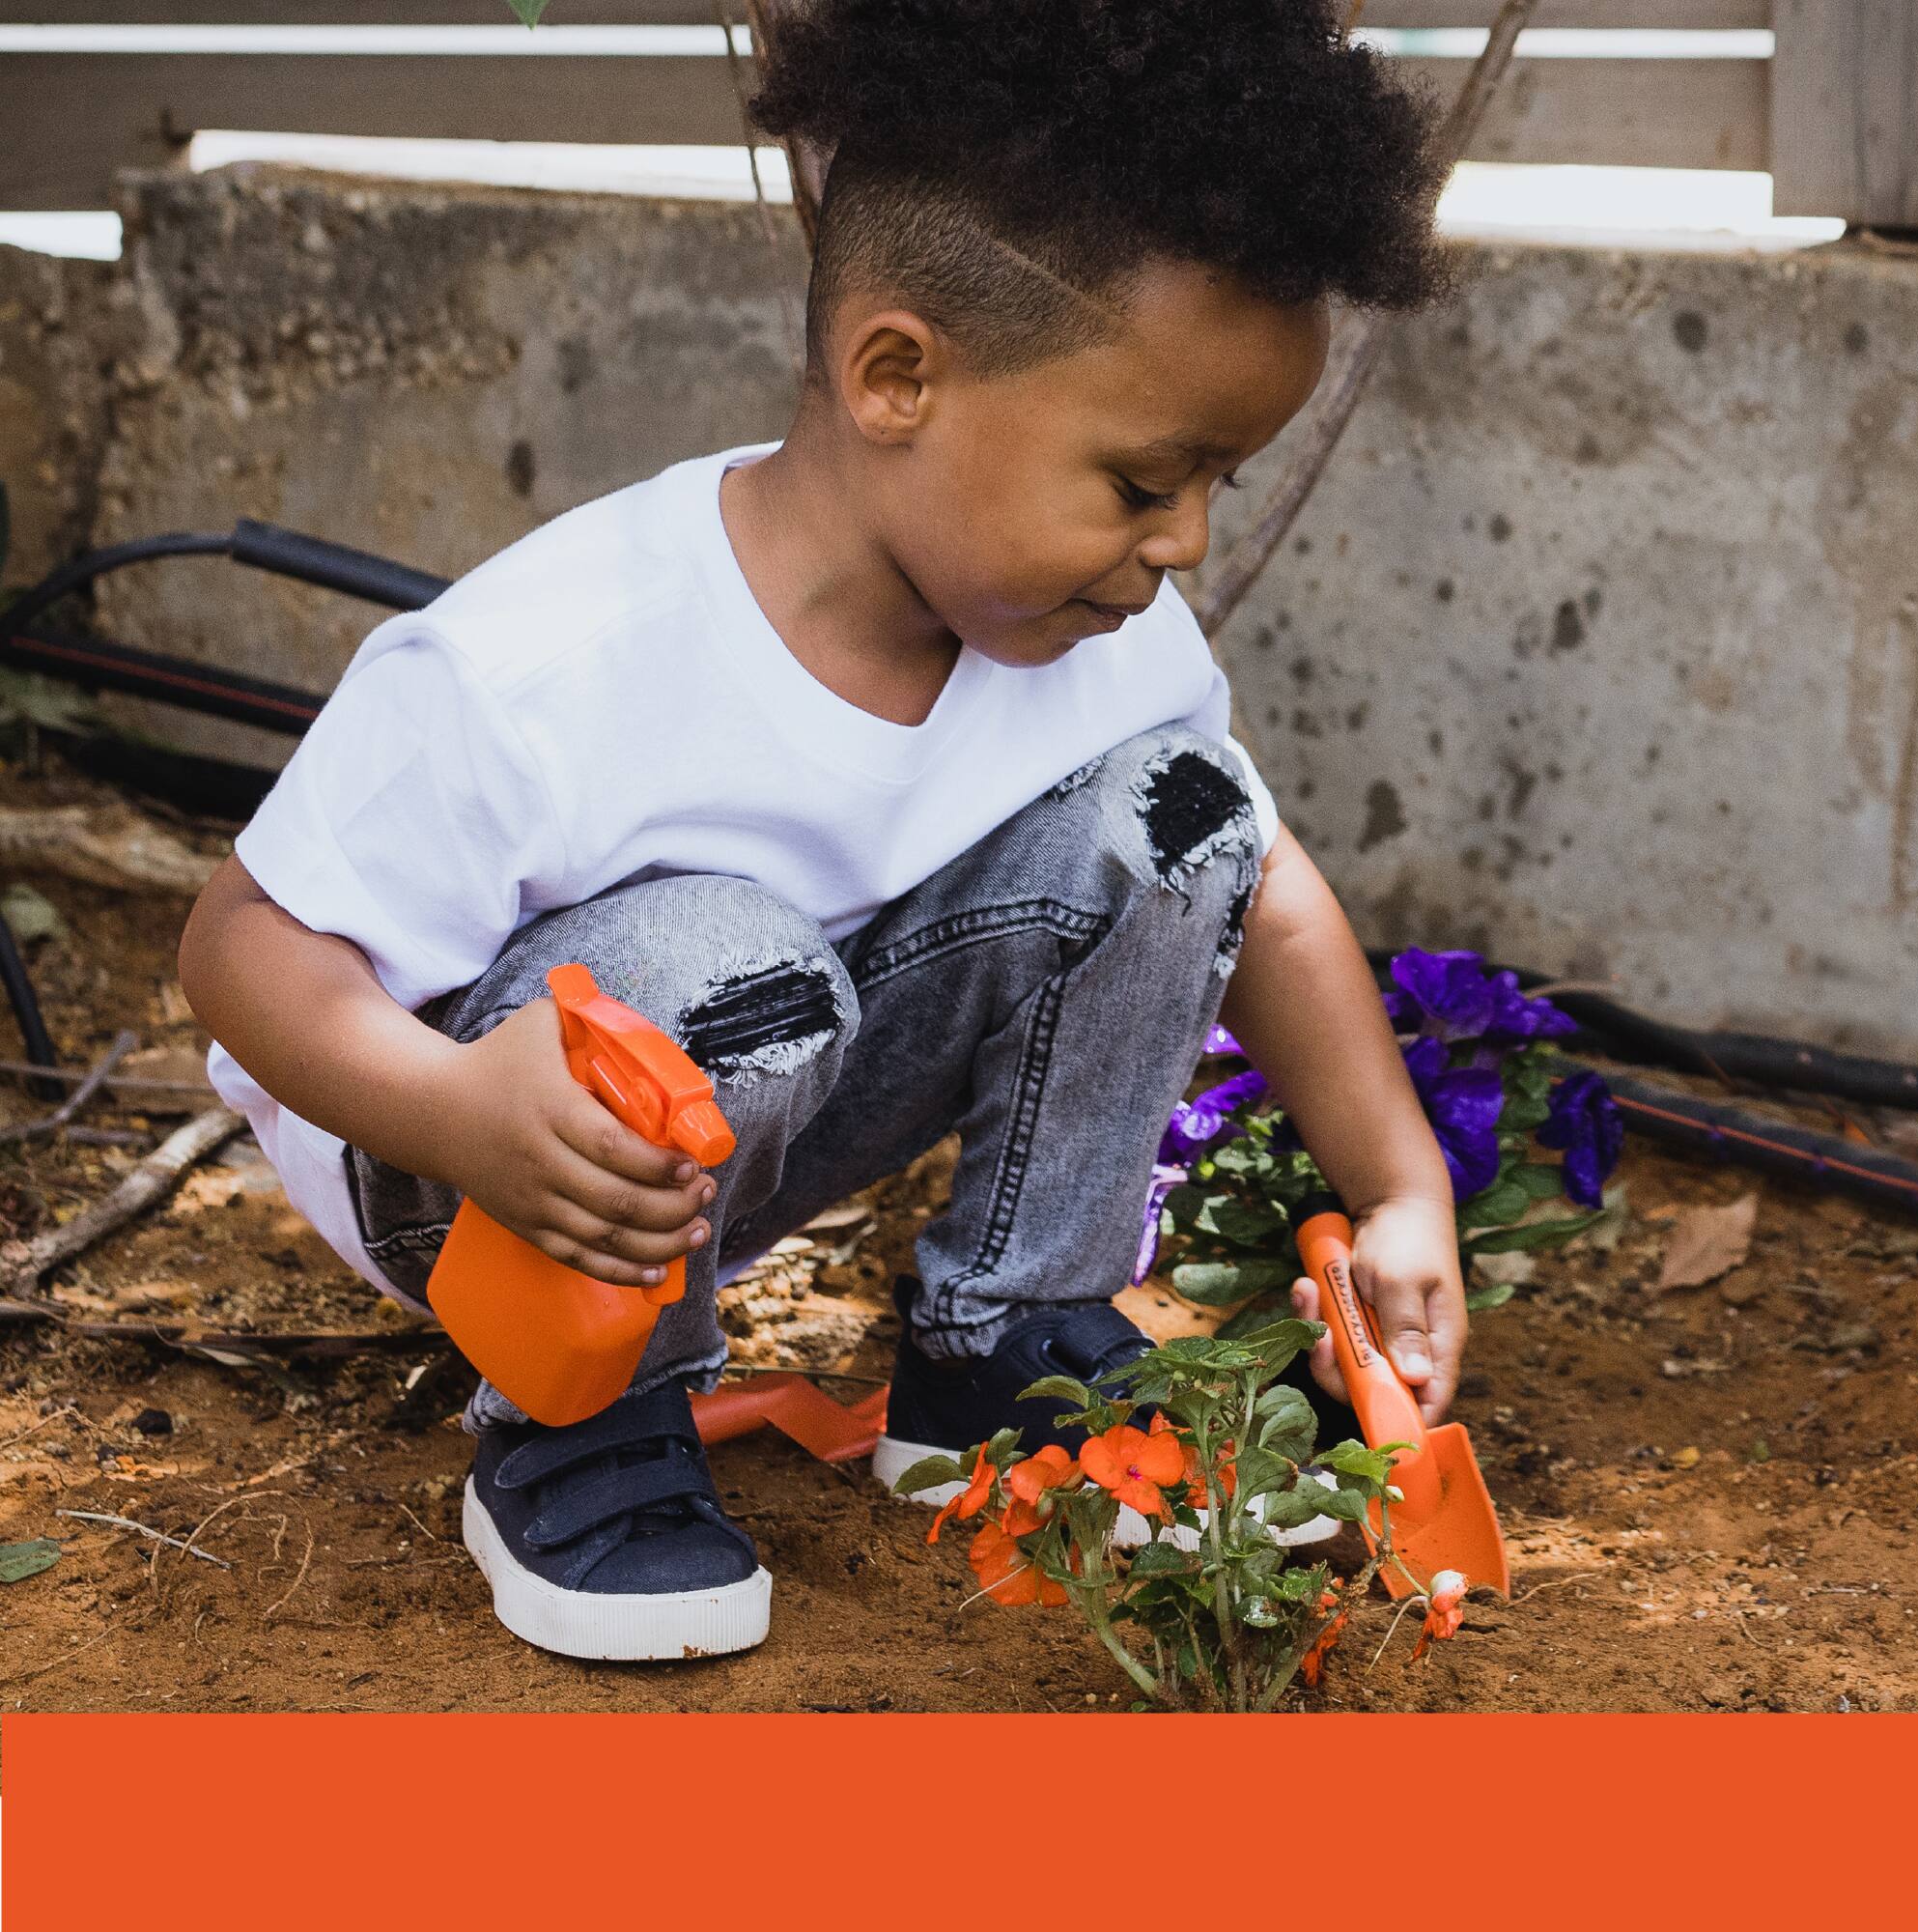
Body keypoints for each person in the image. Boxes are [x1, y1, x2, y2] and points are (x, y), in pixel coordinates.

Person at [178, 0, 1464, 1663]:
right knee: (732, 954)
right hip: (486, 1165)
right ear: (896, 377)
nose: (1188, 545)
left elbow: (1260, 892)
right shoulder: (549, 662)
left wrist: (1402, 1187)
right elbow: (241, 948)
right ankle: (580, 1416)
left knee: (1192, 812)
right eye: (1148, 482)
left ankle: (1008, 1346)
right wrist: (457, 1112)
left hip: (766, 1095)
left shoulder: (1105, 641)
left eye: (1221, 485)